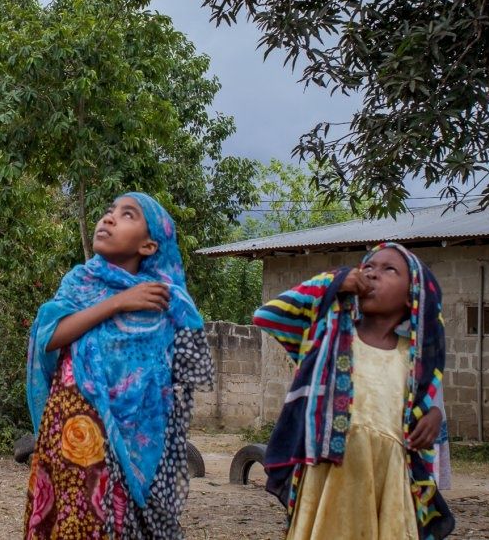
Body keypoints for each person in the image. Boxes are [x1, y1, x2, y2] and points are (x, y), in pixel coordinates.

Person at [25, 192, 215, 539]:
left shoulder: (163, 299)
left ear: (149, 246)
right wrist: (117, 303)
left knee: (120, 524)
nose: (109, 218)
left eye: (127, 215)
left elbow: (185, 378)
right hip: (73, 433)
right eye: (109, 211)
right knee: (75, 522)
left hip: (136, 442)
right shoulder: (80, 282)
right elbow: (49, 336)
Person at [254, 242, 455, 539]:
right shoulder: (328, 334)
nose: (373, 274)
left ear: (412, 294)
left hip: (387, 482)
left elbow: (424, 406)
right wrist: (332, 281)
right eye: (368, 266)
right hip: (329, 478)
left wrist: (435, 415)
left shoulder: (413, 359)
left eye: (389, 270)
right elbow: (268, 315)